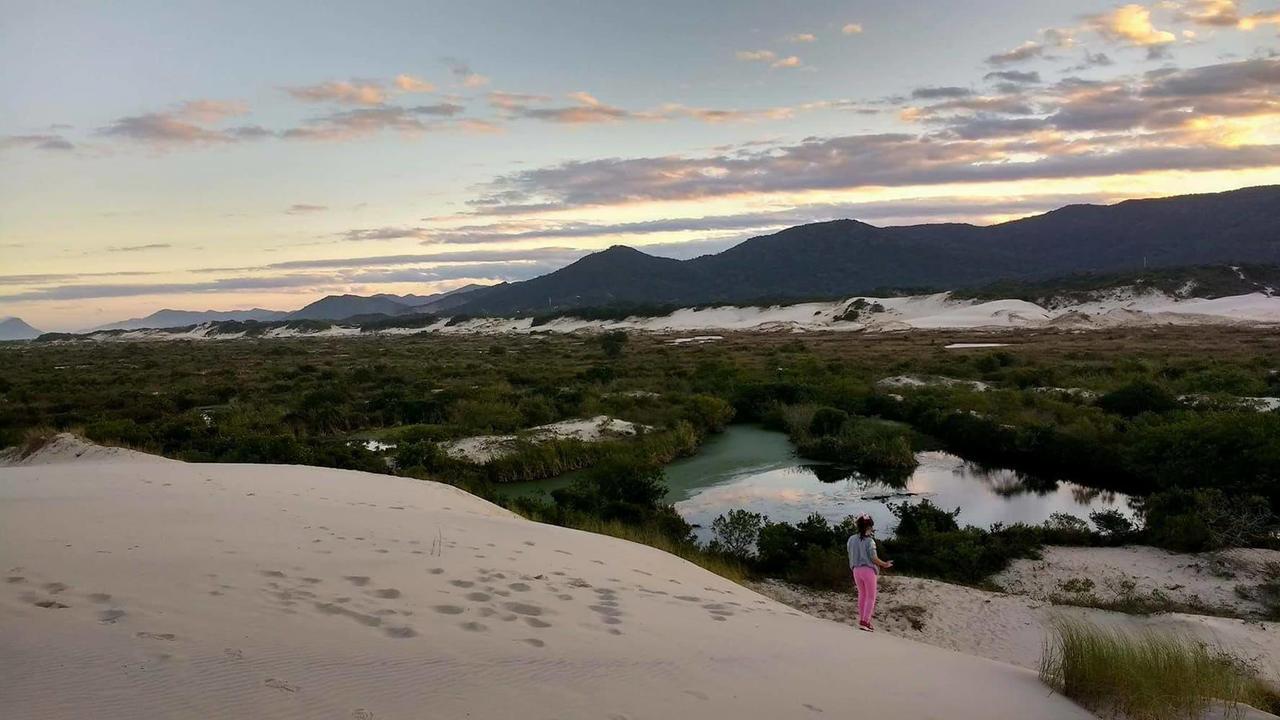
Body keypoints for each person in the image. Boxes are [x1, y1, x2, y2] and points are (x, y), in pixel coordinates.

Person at [847, 514, 892, 632]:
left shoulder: (851, 539)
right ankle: (865, 621)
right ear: (868, 527)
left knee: (862, 595)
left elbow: (850, 553)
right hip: (868, 570)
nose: (872, 529)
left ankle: (863, 620)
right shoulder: (870, 541)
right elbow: (874, 558)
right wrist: (884, 564)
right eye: (871, 527)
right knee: (871, 597)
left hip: (856, 570)